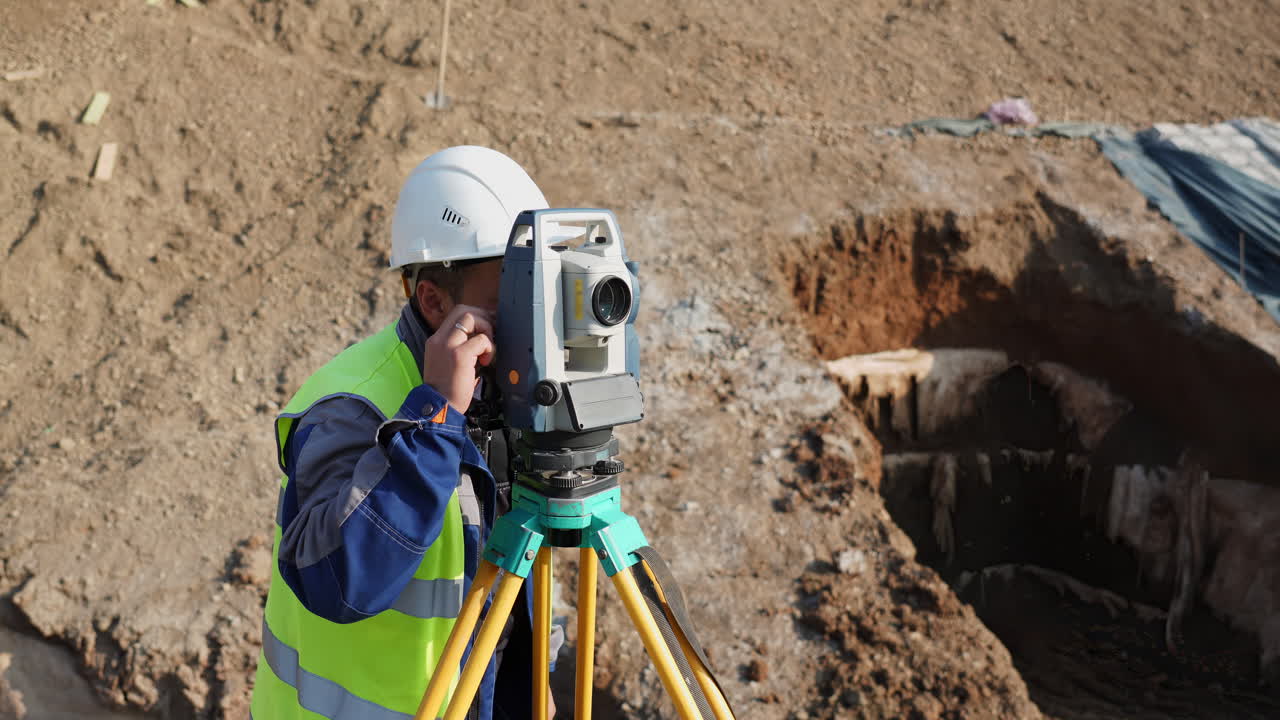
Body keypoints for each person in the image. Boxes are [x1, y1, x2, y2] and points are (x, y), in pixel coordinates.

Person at [252, 146, 558, 720]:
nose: (529, 321)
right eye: (508, 301)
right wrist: (436, 418)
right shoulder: (349, 408)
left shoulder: (508, 389)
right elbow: (337, 581)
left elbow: (509, 575)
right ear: (434, 300)